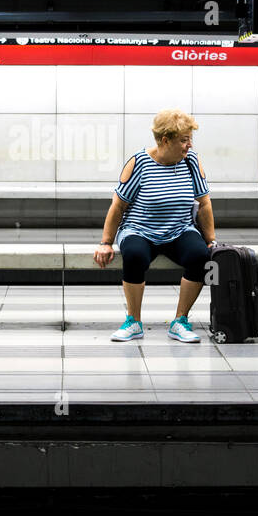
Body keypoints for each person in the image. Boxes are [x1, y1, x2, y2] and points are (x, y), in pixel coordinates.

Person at [94, 109, 216, 342]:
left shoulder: (191, 161)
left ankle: (180, 321)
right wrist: (105, 242)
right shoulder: (139, 163)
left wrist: (211, 240)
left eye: (190, 139)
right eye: (183, 140)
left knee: (200, 256)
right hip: (139, 230)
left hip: (179, 230)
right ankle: (134, 321)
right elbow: (118, 206)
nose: (189, 145)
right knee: (135, 256)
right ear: (165, 140)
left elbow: (204, 203)